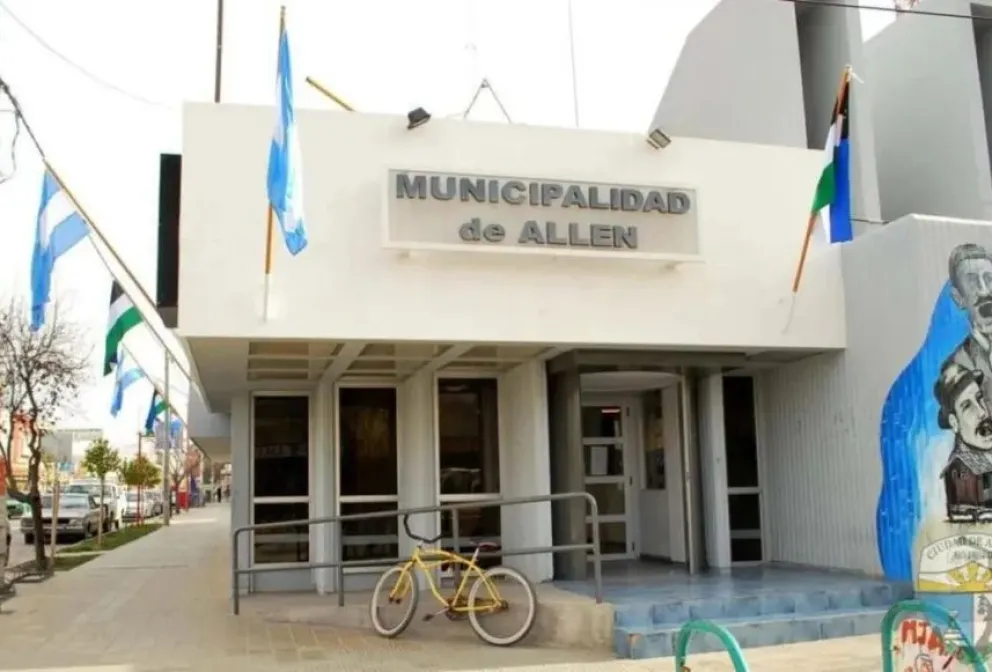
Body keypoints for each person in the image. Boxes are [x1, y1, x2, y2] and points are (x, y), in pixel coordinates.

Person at [948, 243, 992, 400]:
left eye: (989, 279)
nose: (984, 290)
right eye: (972, 282)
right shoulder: (957, 366)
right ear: (959, 298)